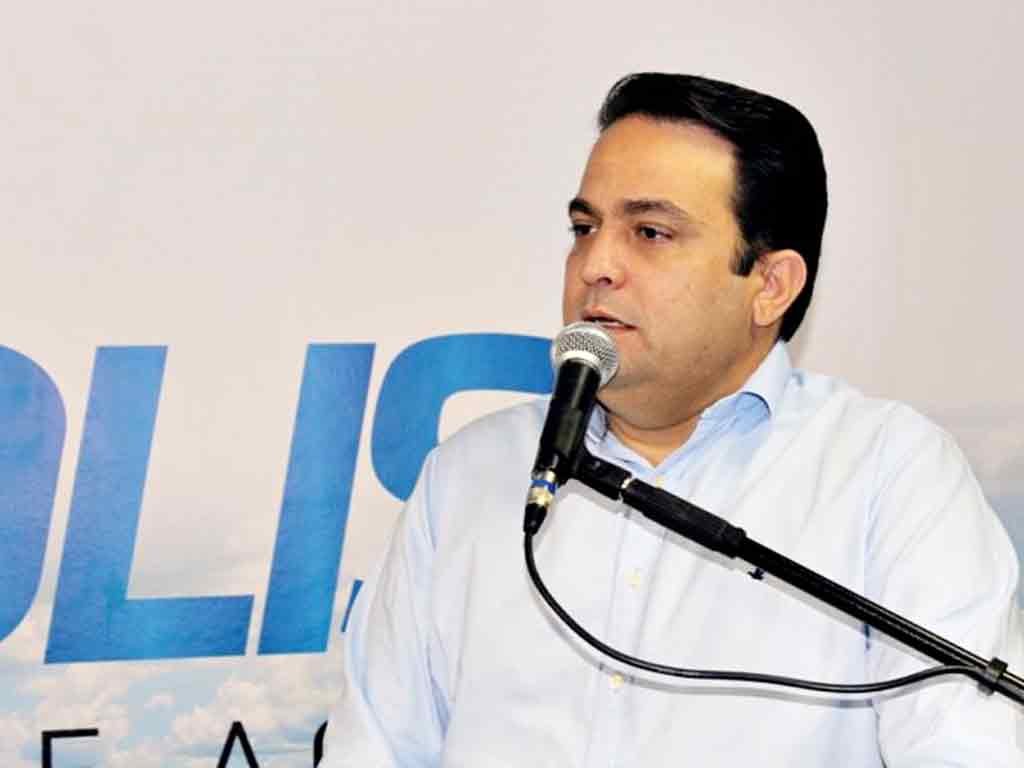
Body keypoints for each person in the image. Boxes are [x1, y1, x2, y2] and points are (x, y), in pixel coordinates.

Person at [323, 73, 1023, 766]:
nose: (596, 265)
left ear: (770, 285)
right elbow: (375, 750)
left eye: (651, 232)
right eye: (584, 228)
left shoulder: (885, 473)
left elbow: (964, 750)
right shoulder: (470, 473)